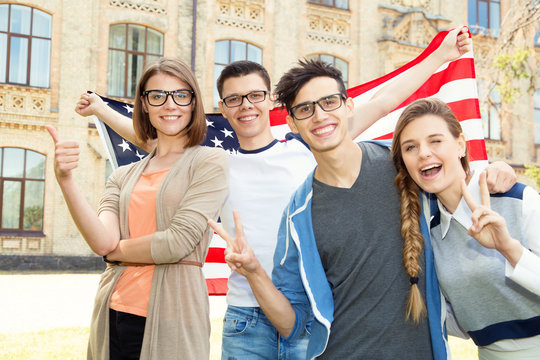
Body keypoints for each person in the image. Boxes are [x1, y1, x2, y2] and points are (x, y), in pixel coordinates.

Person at [77, 27, 474, 359]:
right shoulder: (214, 161)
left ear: (270, 101)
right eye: (234, 99)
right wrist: (101, 110)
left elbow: (386, 101)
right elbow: (154, 141)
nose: (245, 106)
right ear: (223, 107)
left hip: (307, 312)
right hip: (246, 317)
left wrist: (438, 57)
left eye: (254, 95)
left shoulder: (307, 141)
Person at [208, 53, 518, 359]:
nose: (319, 115)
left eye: (329, 102)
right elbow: (292, 324)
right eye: (305, 109)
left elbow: (448, 174)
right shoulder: (297, 215)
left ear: (348, 105)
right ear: (291, 122)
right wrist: (253, 272)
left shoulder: (401, 164)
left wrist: (493, 170)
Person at [48, 58, 229, 360]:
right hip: (112, 310)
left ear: (193, 102)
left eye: (180, 95)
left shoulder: (209, 162)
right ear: (144, 105)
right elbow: (102, 241)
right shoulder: (123, 174)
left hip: (173, 314)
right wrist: (65, 179)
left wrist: (116, 253)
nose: (169, 105)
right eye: (157, 96)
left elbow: (178, 242)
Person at [391, 98, 540, 360]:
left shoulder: (517, 199)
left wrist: (508, 249)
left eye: (435, 141)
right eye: (411, 147)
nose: (424, 153)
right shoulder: (428, 233)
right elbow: (456, 319)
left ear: (460, 145)